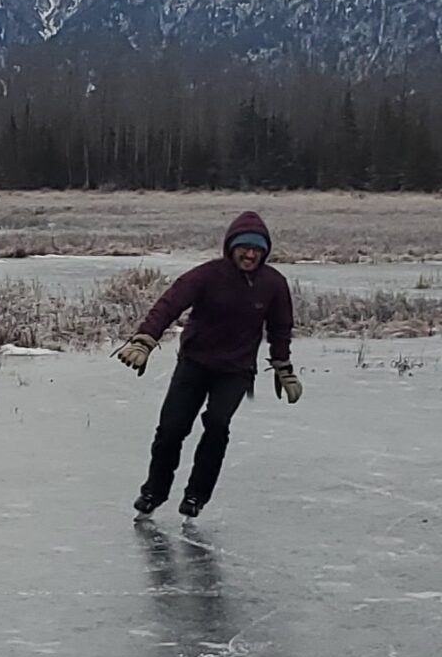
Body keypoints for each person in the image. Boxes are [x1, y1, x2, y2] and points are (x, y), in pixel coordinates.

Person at [113, 210, 301, 518]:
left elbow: (281, 327)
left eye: (257, 249)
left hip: (236, 371)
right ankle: (154, 492)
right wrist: (145, 339)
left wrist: (283, 367)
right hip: (195, 363)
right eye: (244, 248)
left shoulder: (273, 284)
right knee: (172, 429)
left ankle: (196, 497)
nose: (250, 254)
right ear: (231, 247)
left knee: (216, 425)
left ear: (264, 252)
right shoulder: (207, 275)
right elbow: (169, 303)